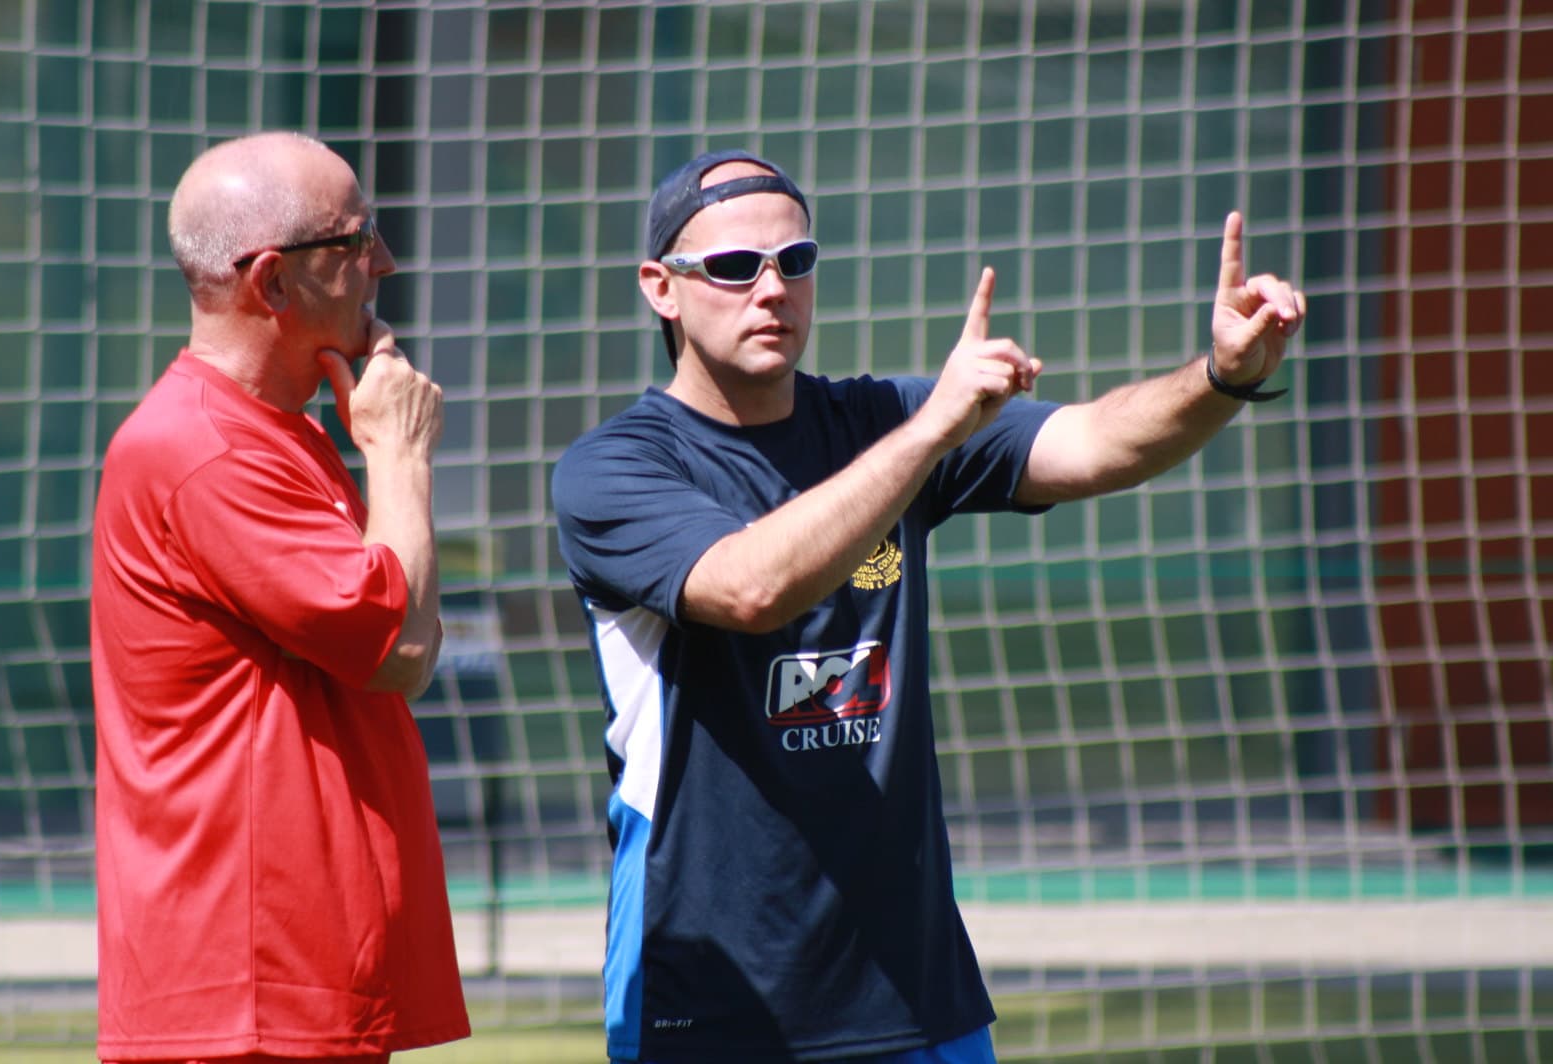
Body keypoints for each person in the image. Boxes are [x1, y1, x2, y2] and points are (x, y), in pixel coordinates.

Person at [552, 148, 1306, 1063]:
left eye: (794, 263)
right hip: (713, 994)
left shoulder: (887, 421)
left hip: (916, 994)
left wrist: (1219, 377)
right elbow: (749, 587)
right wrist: (933, 432)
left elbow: (1096, 442)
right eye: (733, 266)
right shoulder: (614, 468)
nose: (770, 289)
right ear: (660, 289)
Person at [90, 132, 469, 1064]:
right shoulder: (204, 450)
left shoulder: (279, 436)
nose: (382, 261)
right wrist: (400, 455)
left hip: (290, 988)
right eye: (355, 239)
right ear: (271, 283)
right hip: (247, 996)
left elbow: (401, 624)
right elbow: (402, 653)